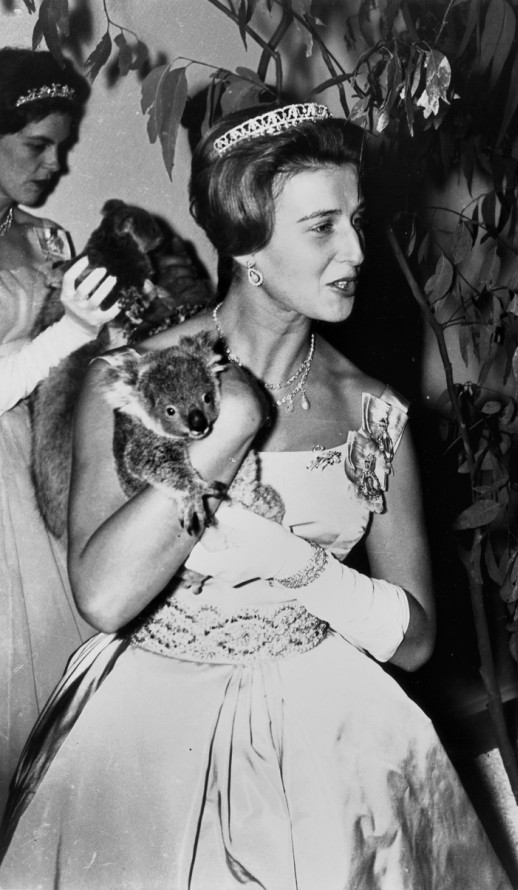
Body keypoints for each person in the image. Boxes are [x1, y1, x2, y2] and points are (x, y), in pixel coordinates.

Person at [0, 103, 511, 888]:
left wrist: (304, 568)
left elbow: (414, 641)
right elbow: (101, 596)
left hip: (327, 737)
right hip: (151, 733)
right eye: (322, 226)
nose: (357, 251)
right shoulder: (130, 378)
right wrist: (227, 428)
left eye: (358, 221)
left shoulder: (371, 407)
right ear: (248, 245)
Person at [0, 47, 119, 820]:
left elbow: (70, 378)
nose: (53, 164)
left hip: (40, 473)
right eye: (35, 146)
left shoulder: (46, 241)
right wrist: (66, 332)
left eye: (62, 147)